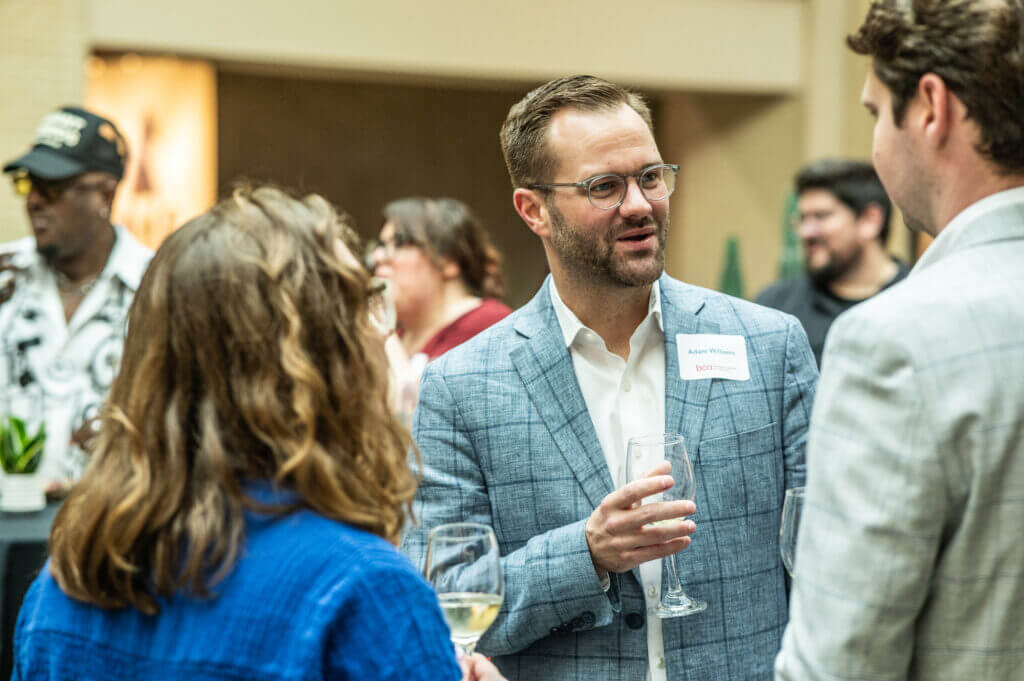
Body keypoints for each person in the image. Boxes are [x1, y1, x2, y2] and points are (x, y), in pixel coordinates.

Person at [401, 75, 818, 681]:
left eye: (651, 176)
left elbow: (827, 557)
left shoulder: (769, 346)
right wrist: (586, 554)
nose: (640, 204)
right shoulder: (463, 385)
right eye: (605, 186)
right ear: (533, 209)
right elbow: (443, 604)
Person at [12, 186, 505, 681]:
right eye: (367, 301)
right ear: (323, 358)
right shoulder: (364, 595)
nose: (383, 331)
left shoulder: (64, 585)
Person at [775, 2, 1024, 680]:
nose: (877, 144)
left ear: (932, 108)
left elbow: (840, 663)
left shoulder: (894, 343)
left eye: (876, 113)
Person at [0, 106, 152, 486]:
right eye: (27, 184)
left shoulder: (157, 288)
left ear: (105, 193)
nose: (33, 200)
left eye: (51, 187)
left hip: (110, 526)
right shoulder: (5, 276)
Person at [368, 197, 511, 421]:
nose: (377, 258)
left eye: (399, 242)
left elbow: (429, 419)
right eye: (379, 246)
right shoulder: (398, 334)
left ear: (448, 260)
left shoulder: (491, 327)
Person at [755, 159, 909, 366]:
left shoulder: (917, 299)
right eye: (802, 219)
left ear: (869, 221)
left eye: (821, 216)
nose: (805, 232)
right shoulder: (775, 308)